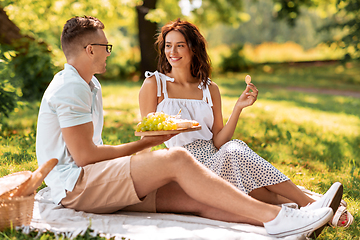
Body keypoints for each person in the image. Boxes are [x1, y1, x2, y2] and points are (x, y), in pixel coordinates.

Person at [35, 15, 337, 239]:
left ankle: (292, 224)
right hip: (76, 185)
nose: (108, 52)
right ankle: (278, 215)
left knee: (198, 201)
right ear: (90, 49)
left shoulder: (88, 85)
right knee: (178, 158)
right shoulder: (71, 88)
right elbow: (86, 158)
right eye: (105, 46)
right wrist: (147, 145)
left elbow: (89, 154)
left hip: (87, 179)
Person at [138, 18, 352, 230]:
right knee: (236, 154)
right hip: (185, 166)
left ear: (193, 48)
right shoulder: (154, 85)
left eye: (179, 45)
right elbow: (146, 138)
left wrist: (238, 108)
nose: (172, 52)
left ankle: (306, 211)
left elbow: (219, 141)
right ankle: (310, 204)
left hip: (216, 156)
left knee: (233, 152)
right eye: (168, 46)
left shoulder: (209, 89)